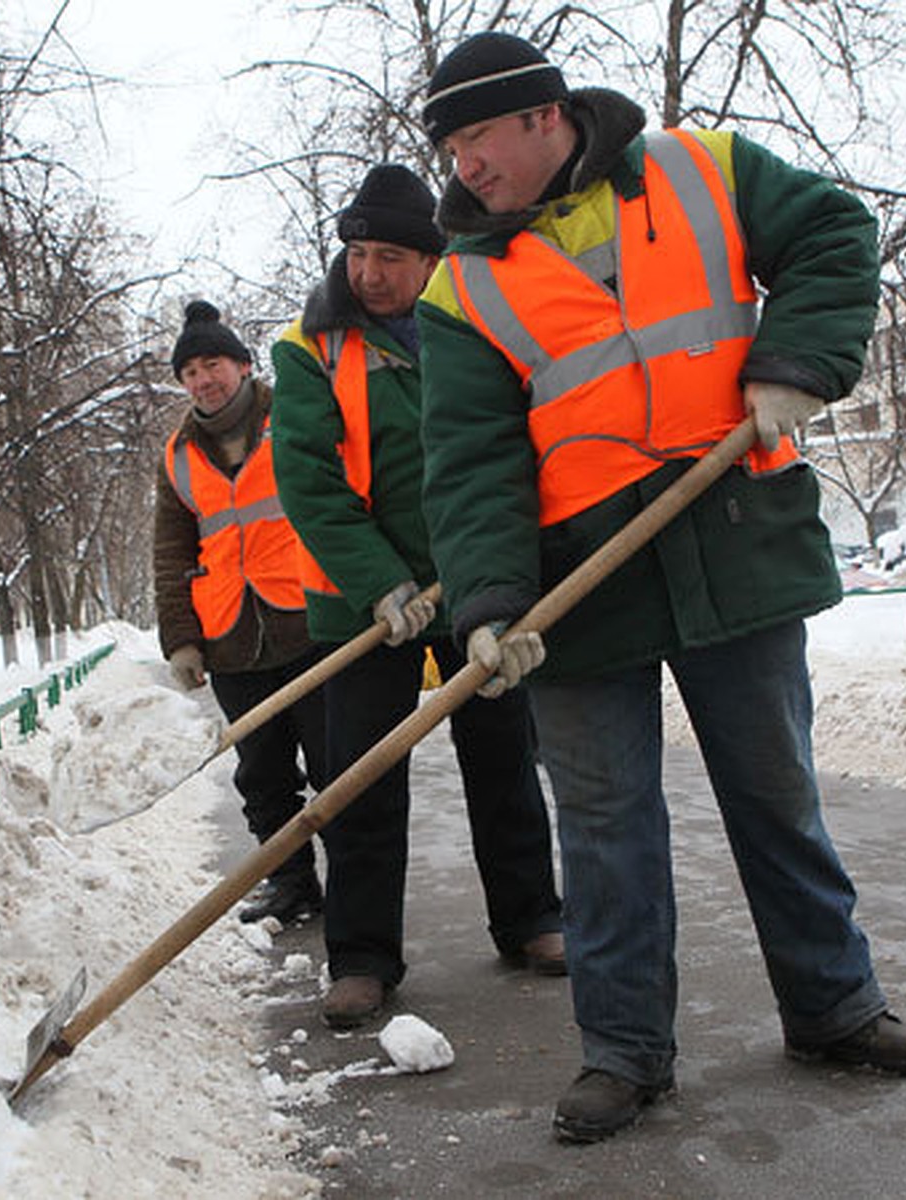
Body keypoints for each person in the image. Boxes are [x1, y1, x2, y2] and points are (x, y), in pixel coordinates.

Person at [416, 32, 906, 1143]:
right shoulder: (461, 289)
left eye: (477, 138)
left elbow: (836, 235)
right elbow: (469, 465)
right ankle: (624, 1053)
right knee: (605, 830)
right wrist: (489, 606)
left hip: (732, 532)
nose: (462, 165)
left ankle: (835, 1007)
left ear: (544, 116)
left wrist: (794, 364)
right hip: (581, 582)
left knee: (775, 792)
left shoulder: (703, 171)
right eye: (450, 146)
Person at [271, 164, 564, 1030]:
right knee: (360, 780)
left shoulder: (474, 325)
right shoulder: (308, 349)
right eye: (358, 253)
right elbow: (310, 482)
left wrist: (490, 572)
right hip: (364, 604)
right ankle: (362, 959)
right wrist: (381, 582)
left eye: (390, 255)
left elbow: (513, 443)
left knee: (504, 758)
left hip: (478, 584)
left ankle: (533, 919)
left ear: (433, 257)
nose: (369, 273)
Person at [154, 299, 325, 925]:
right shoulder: (177, 455)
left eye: (214, 363)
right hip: (231, 639)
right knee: (263, 774)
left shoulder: (294, 414)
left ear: (243, 363)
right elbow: (171, 552)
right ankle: (292, 882)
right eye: (191, 370)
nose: (204, 378)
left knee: (338, 766)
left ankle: (360, 886)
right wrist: (182, 641)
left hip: (310, 622)